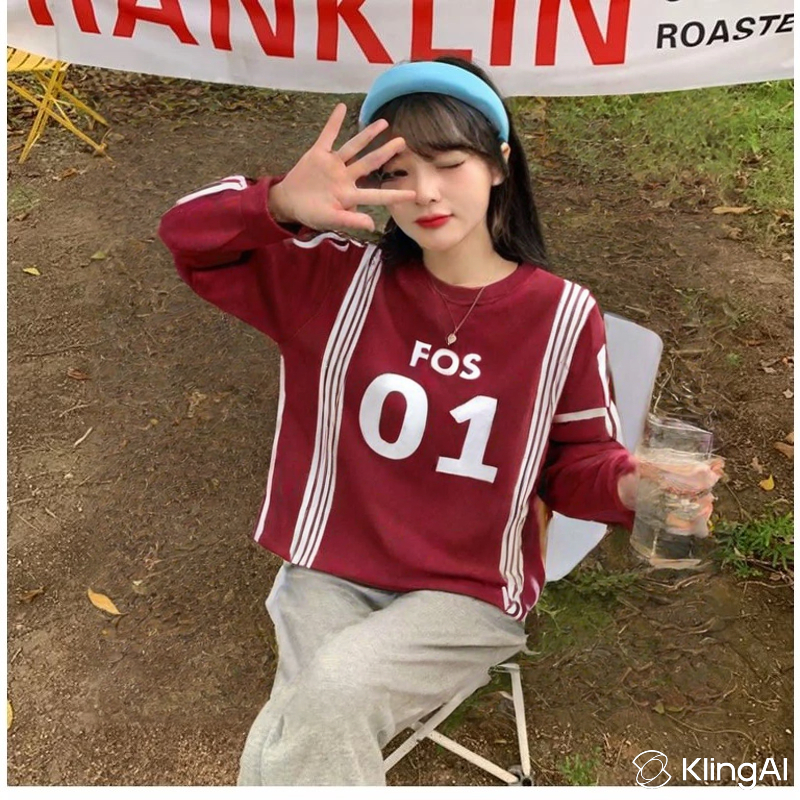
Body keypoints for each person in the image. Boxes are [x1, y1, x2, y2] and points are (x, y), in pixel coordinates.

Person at [158, 56, 719, 786]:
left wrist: (633, 486)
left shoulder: (561, 315)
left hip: (467, 588)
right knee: (314, 712)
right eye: (396, 174)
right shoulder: (333, 283)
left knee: (327, 694)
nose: (423, 192)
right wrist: (281, 203)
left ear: (499, 164)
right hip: (330, 567)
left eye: (449, 164)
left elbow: (573, 464)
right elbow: (187, 237)